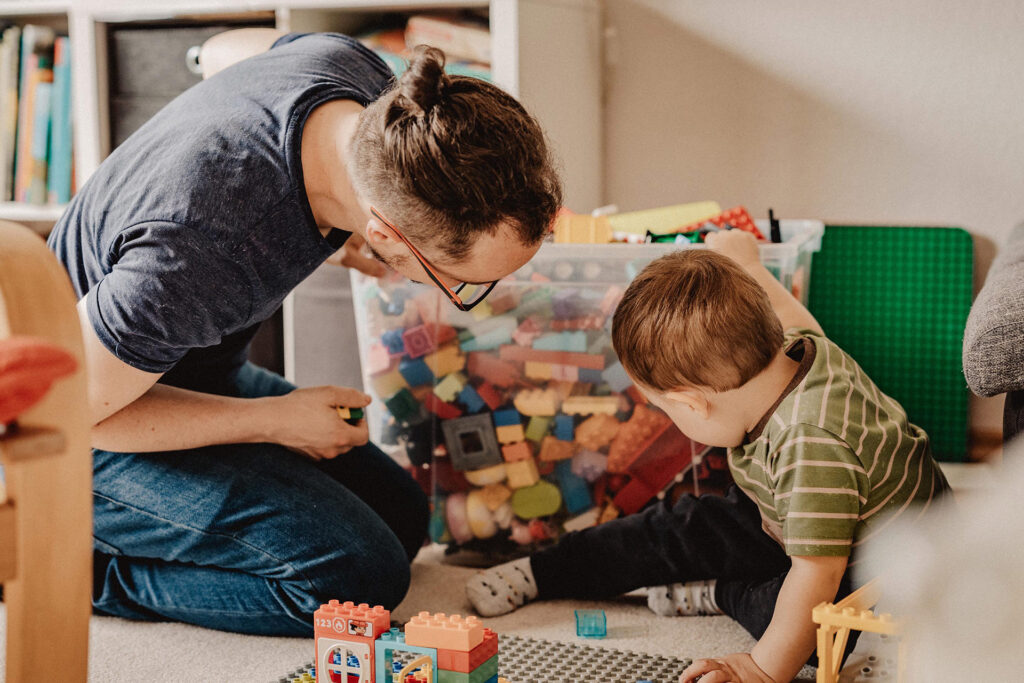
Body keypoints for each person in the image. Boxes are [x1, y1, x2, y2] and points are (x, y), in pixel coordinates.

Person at [47, 29, 561, 636]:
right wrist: (276, 421)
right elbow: (65, 412)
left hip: (180, 367)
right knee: (356, 580)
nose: (458, 295)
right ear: (390, 235)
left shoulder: (369, 89)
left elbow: (224, 49)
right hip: (74, 428)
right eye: (458, 282)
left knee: (400, 519)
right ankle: (85, 573)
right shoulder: (202, 251)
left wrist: (345, 246)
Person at [465, 230, 948, 682]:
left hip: (876, 571)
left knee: (811, 633)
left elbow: (818, 572)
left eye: (666, 411)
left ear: (692, 402)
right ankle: (544, 571)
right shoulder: (792, 348)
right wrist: (749, 262)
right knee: (676, 527)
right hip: (789, 515)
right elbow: (794, 313)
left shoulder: (810, 445)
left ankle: (720, 592)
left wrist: (762, 669)